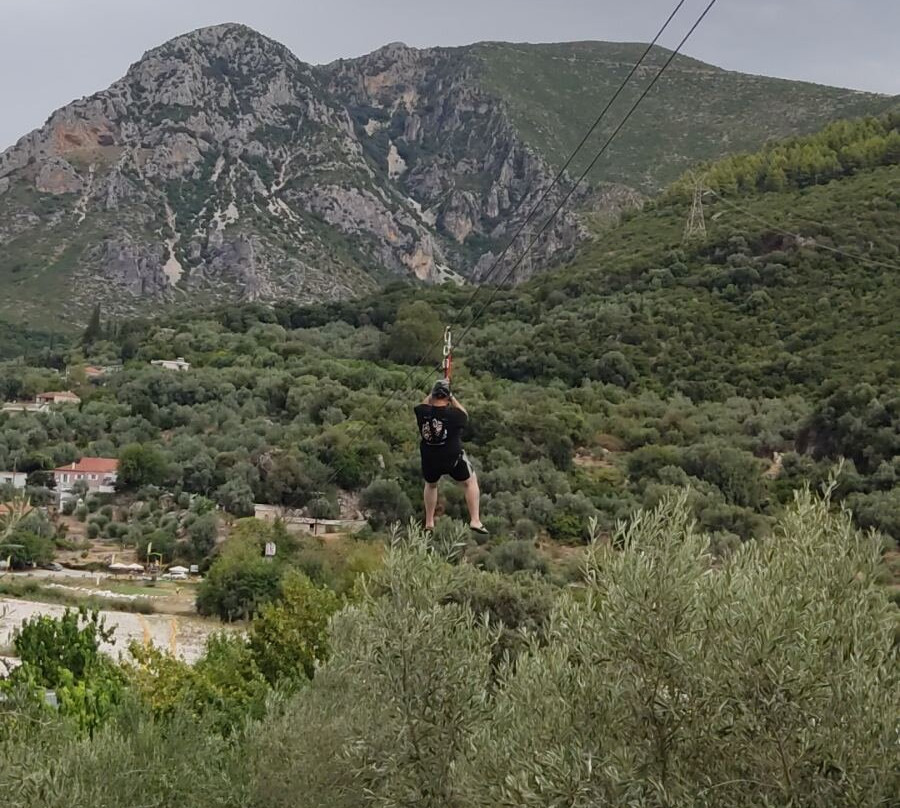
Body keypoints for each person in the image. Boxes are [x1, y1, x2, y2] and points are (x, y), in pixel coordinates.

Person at [414, 379, 488, 534]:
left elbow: (424, 403)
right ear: (447, 398)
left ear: (433, 396)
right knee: (470, 482)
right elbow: (464, 414)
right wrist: (452, 397)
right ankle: (475, 520)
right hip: (452, 459)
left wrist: (435, 390)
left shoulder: (421, 412)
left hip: (430, 460)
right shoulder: (454, 416)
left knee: (431, 485)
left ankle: (429, 522)